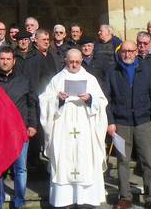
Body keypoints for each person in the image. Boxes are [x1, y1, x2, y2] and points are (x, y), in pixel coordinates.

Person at [39, 49, 108, 207]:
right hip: (64, 128)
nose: (74, 64)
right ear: (65, 60)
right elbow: (44, 100)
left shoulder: (90, 79)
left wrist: (90, 99)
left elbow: (102, 101)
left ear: (82, 60)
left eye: (77, 61)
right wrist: (59, 100)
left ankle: (86, 200)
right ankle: (64, 200)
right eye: (71, 61)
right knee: (64, 161)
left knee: (86, 160)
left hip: (85, 128)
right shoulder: (57, 79)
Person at [104, 41, 151, 209]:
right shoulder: (112, 71)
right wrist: (110, 122)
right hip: (121, 124)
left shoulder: (148, 69)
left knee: (146, 160)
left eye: (131, 51)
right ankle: (125, 197)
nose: (128, 54)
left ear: (137, 51)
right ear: (119, 52)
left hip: (143, 123)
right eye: (124, 51)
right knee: (123, 161)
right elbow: (106, 99)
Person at [0, 47, 37, 209]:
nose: (5, 61)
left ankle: (19, 201)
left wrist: (32, 125)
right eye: (2, 58)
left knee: (20, 169)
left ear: (14, 61)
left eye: (8, 59)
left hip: (19, 131)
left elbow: (31, 104)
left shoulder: (24, 80)